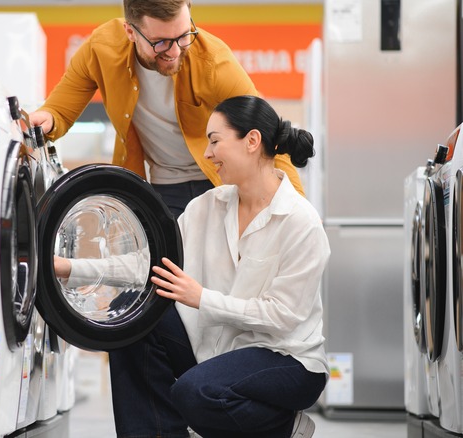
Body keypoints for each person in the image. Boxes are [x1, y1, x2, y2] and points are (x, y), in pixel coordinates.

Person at [55, 95, 329, 438]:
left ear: (252, 141)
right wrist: (69, 267)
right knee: (128, 315)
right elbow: (150, 266)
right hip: (220, 349)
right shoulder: (206, 207)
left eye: (215, 140)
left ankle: (284, 426)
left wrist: (201, 297)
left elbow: (282, 316)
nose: (208, 153)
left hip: (287, 358)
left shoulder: (300, 222)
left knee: (195, 392)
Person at [29, 0, 305, 217]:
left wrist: (298, 209)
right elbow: (59, 111)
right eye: (160, 42)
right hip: (163, 187)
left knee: (223, 278)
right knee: (165, 276)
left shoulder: (215, 63)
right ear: (130, 31)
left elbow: (269, 138)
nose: (174, 51)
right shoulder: (101, 49)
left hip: (223, 183)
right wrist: (46, 120)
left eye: (184, 36)